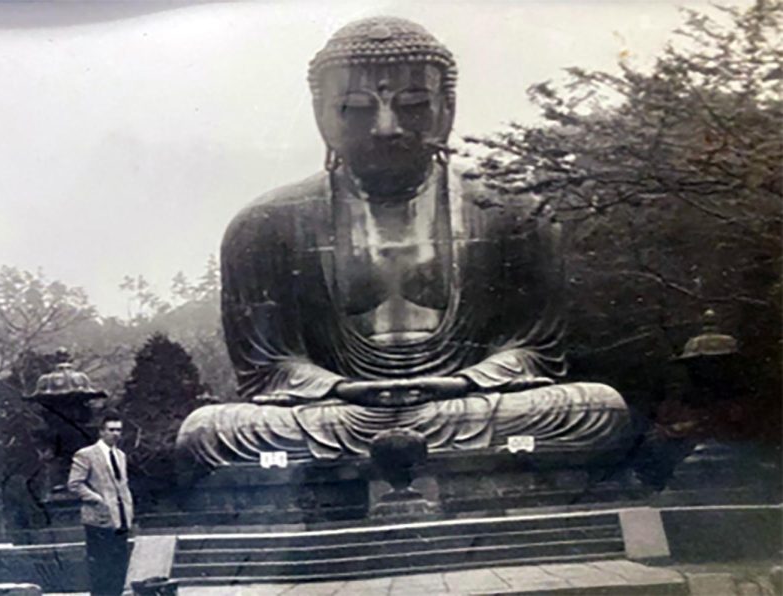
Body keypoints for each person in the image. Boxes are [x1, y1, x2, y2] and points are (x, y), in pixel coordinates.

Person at [177, 16, 633, 468]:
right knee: (206, 431)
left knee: (597, 408)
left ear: (447, 108)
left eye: (413, 104)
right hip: (338, 414)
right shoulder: (265, 224)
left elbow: (535, 351)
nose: (386, 126)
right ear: (321, 114)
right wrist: (338, 388)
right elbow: (268, 367)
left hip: (464, 406)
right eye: (355, 109)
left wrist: (462, 383)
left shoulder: (511, 212)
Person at [67, 411, 134, 596]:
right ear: (102, 432)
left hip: (120, 519)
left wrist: (127, 508)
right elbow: (74, 483)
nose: (116, 434)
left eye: (119, 430)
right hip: (98, 520)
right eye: (111, 430)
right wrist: (96, 498)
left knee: (119, 568)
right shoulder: (86, 455)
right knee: (101, 569)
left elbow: (122, 485)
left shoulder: (120, 455)